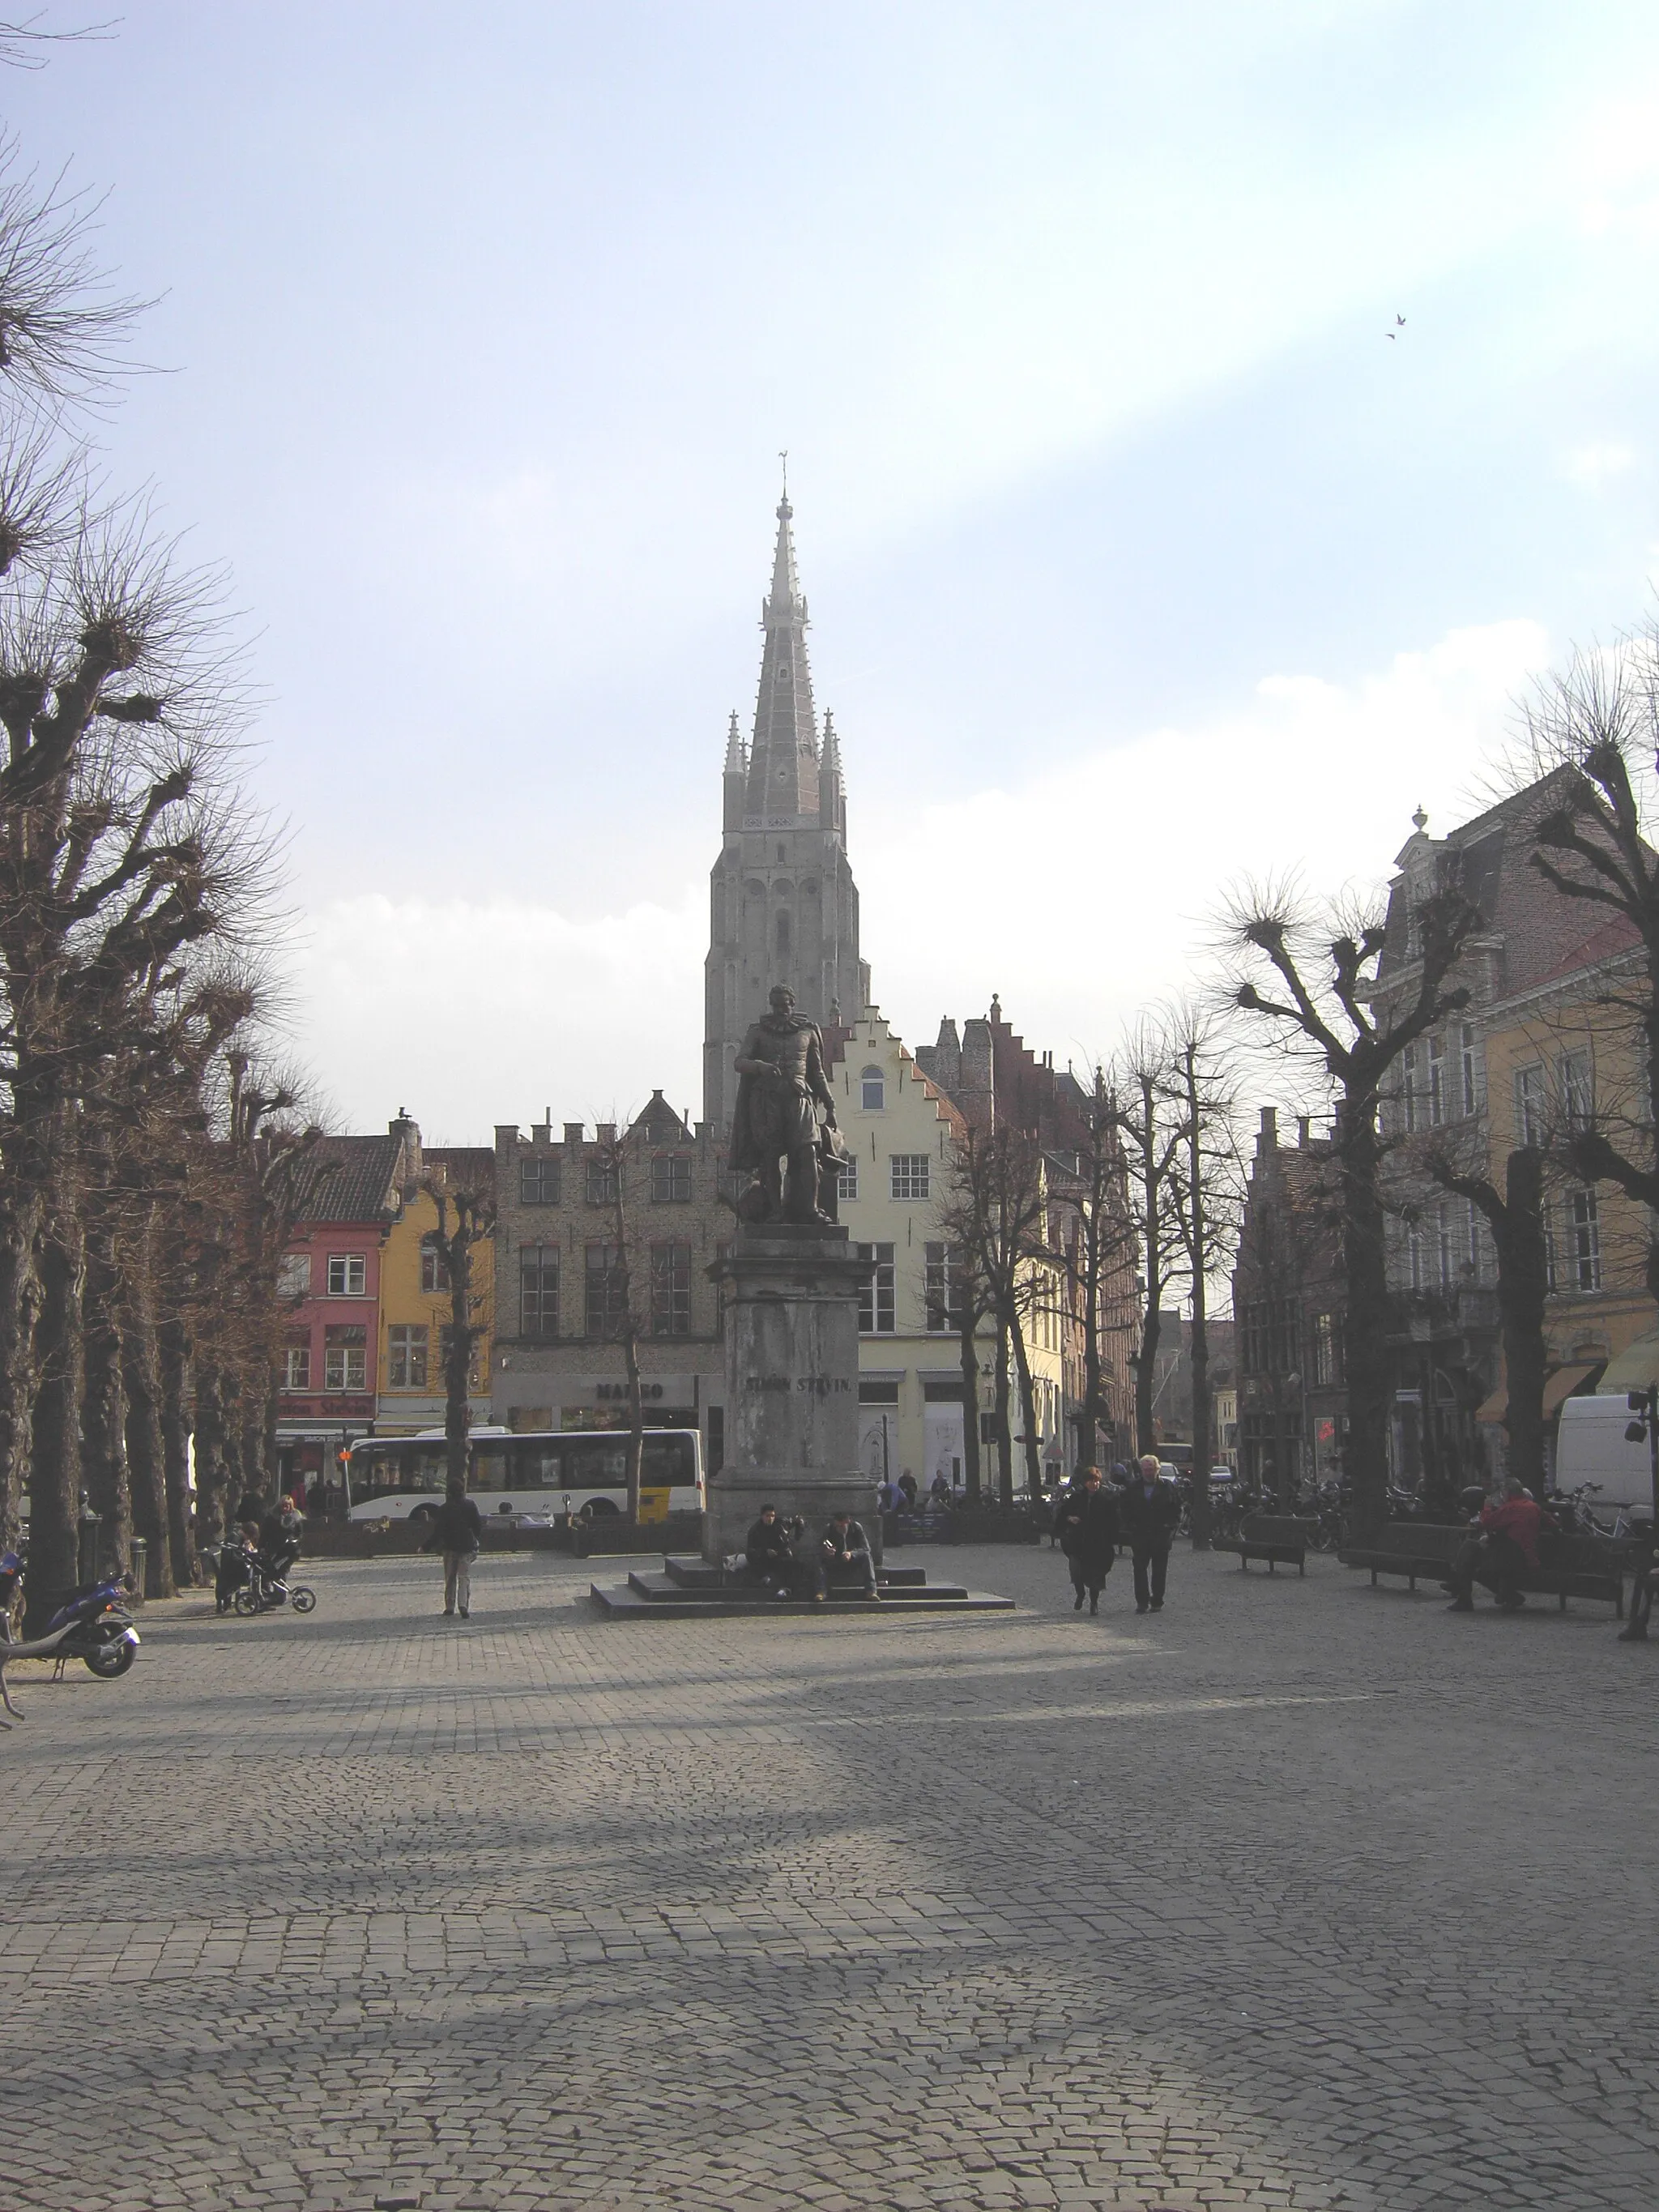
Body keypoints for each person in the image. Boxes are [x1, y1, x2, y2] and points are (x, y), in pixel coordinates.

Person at [1444, 1477, 1548, 1612]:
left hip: (1512, 1559)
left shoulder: (1510, 1508)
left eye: (1502, 1492)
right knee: (1472, 1559)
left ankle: (1464, 1597)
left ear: (1507, 1493)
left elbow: (1486, 1522)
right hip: (1529, 1557)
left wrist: (1487, 1507)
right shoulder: (1535, 1508)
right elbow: (1552, 1523)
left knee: (1469, 1550)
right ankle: (1507, 1594)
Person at [1119, 1453, 1181, 1614]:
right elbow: (1125, 1508)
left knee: (1159, 1570)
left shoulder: (1167, 1486)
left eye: (1151, 1469)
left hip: (1161, 1533)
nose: (1148, 1472)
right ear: (1141, 1470)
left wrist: (1171, 1525)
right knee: (1139, 1568)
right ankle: (1142, 1601)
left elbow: (1176, 1507)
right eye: (1146, 1469)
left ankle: (1157, 1600)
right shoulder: (1133, 1487)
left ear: (1157, 1469)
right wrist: (1130, 1526)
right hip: (1140, 1533)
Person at [1056, 1465, 1119, 1614]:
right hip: (1077, 1542)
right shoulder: (1076, 1497)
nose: (1094, 1484)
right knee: (1076, 1571)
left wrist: (1110, 1535)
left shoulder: (1106, 1498)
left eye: (1096, 1481)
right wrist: (1070, 1518)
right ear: (1085, 1482)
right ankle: (1080, 1593)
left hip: (1098, 1543)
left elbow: (1114, 1519)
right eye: (1091, 1481)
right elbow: (1062, 1514)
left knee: (1095, 1575)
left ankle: (1094, 1604)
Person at [425, 1479, 484, 1618]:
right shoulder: (471, 1505)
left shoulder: (444, 1508)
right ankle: (463, 1605)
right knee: (464, 1577)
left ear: (449, 1493)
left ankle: (449, 1606)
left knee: (450, 1578)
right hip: (467, 1546)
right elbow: (478, 1526)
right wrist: (474, 1538)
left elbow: (438, 1531)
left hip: (450, 1547)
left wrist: (426, 1546)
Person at [814, 1511, 879, 1601]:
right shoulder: (829, 1529)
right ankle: (821, 1591)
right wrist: (826, 1551)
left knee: (867, 1556)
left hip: (853, 1560)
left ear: (848, 1523)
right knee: (819, 1560)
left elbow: (866, 1548)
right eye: (837, 1526)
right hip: (835, 1559)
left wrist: (851, 1554)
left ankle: (871, 1591)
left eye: (842, 1526)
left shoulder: (856, 1528)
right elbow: (819, 1547)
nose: (839, 1529)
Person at [744, 1505, 802, 1599]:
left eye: (772, 1516)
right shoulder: (755, 1530)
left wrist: (799, 1525)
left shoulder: (780, 1523)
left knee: (795, 1566)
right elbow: (750, 1552)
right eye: (767, 1516)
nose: (770, 1518)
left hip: (781, 1557)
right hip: (764, 1561)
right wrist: (765, 1552)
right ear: (762, 1516)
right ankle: (778, 1588)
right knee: (773, 1575)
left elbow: (796, 1522)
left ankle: (786, 1590)